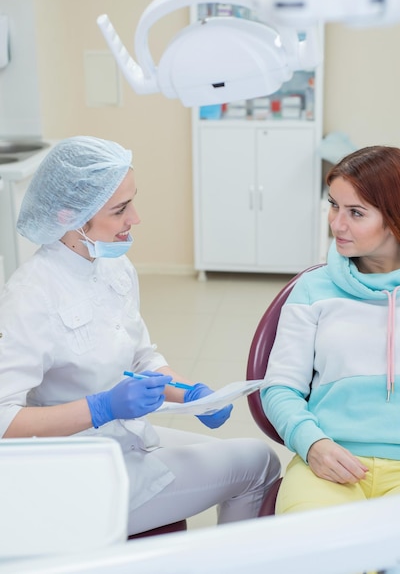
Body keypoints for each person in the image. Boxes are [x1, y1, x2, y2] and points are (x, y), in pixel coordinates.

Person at [0, 136, 281, 535]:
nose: (135, 218)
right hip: (77, 471)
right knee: (259, 463)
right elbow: (4, 421)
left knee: (251, 457)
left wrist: (189, 395)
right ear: (70, 216)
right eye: (120, 209)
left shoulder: (114, 267)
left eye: (132, 201)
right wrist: (100, 407)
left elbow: (141, 357)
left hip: (123, 438)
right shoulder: (30, 294)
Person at [261, 145, 400, 514]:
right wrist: (312, 444)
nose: (336, 223)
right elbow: (280, 387)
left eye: (355, 212)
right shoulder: (312, 289)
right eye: (334, 205)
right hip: (328, 462)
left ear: (396, 216)